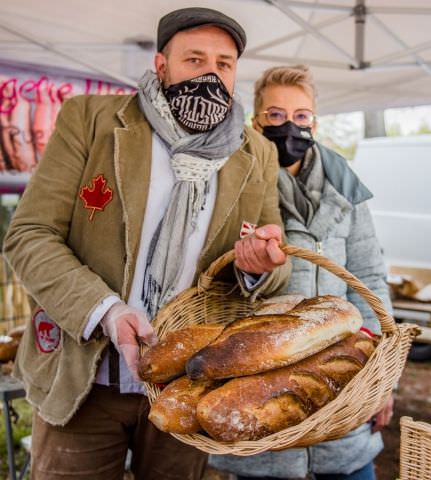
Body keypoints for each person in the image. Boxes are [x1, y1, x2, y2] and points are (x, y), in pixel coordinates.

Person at [2, 8, 290, 480]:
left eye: (224, 64)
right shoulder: (90, 120)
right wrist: (108, 311)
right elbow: (30, 235)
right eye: (194, 60)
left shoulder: (256, 152)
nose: (211, 75)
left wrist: (259, 265)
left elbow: (272, 258)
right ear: (162, 65)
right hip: (85, 380)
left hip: (187, 383)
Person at [209, 65, 394, 480]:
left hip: (342, 378)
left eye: (301, 116)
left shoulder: (344, 185)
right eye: (275, 115)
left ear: (315, 120)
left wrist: (382, 379)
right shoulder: (234, 182)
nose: (289, 125)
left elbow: (369, 279)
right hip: (262, 381)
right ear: (256, 121)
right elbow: (215, 278)